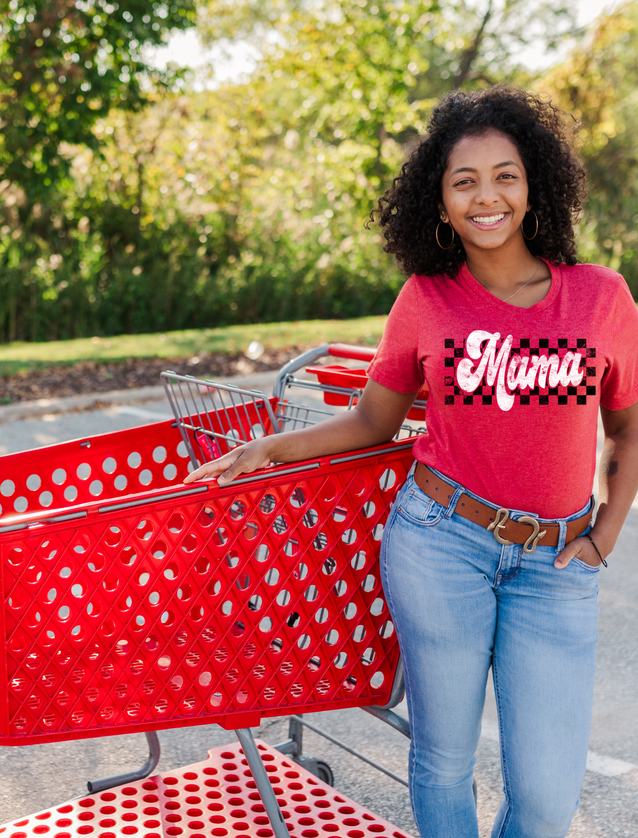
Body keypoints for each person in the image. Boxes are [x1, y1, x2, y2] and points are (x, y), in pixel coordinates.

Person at [185, 86, 638, 838]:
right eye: (464, 181)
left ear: (535, 187)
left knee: (548, 797)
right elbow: (373, 420)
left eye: (505, 175)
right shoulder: (426, 299)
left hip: (558, 563)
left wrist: (606, 531)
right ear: (440, 200)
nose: (486, 196)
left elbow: (627, 428)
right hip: (442, 546)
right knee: (443, 763)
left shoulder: (601, 299)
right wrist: (266, 447)